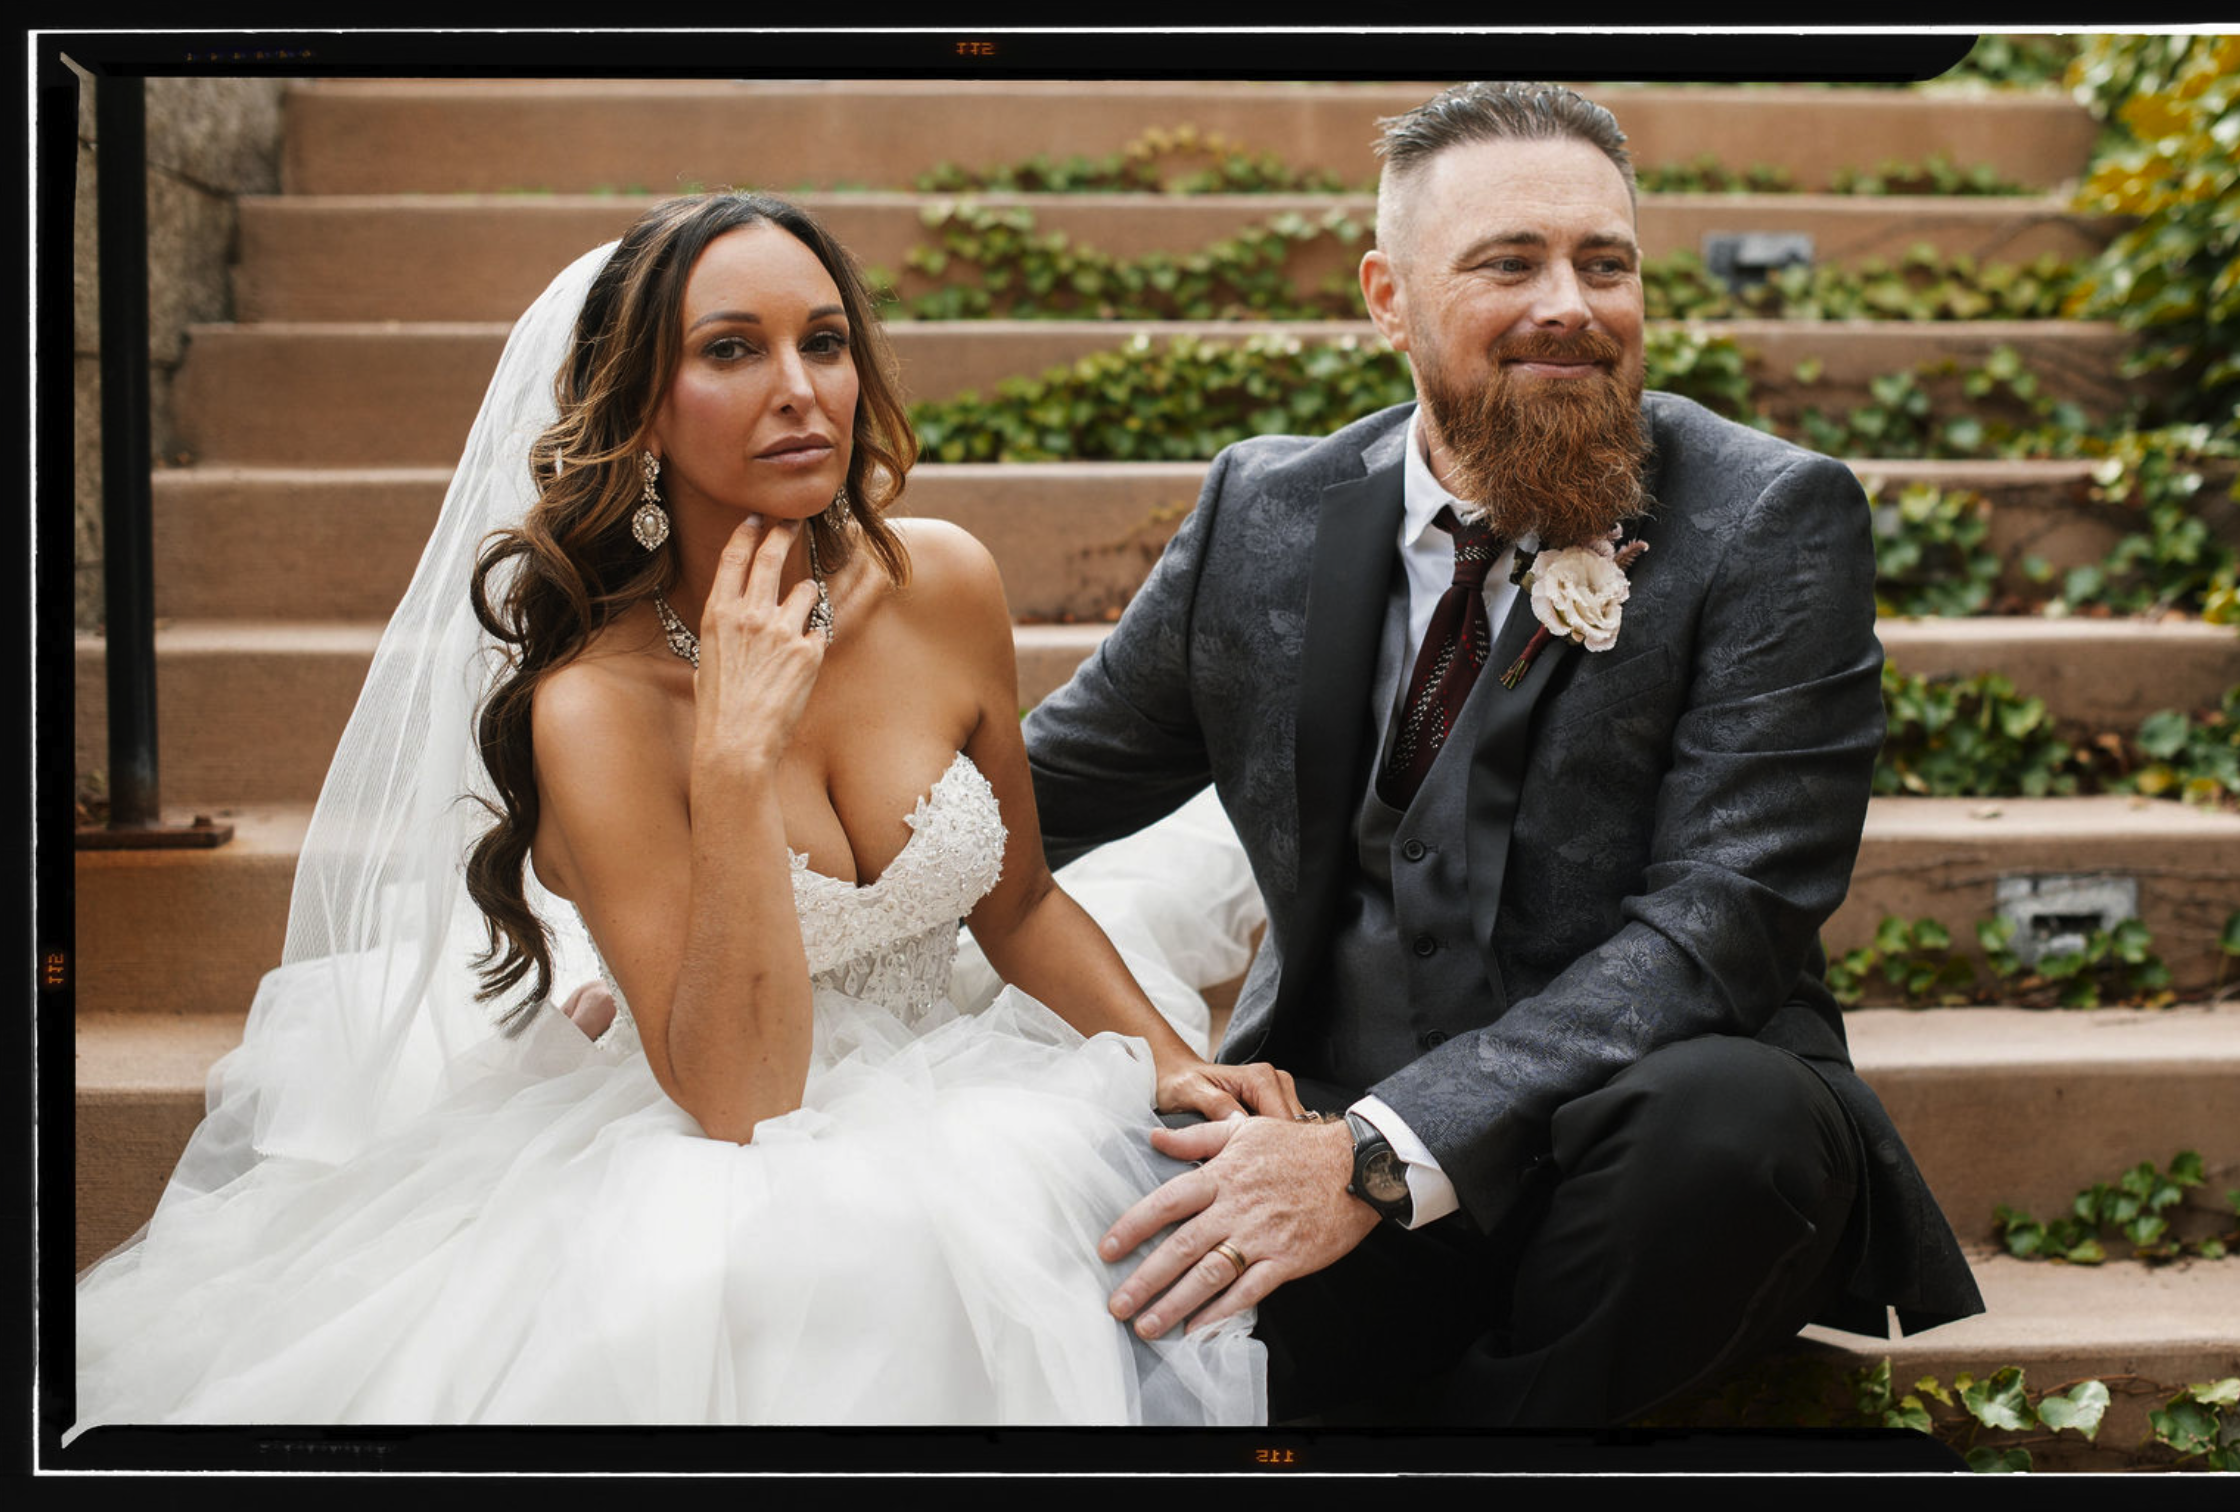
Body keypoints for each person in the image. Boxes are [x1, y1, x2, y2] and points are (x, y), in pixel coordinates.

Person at [69, 192, 1288, 1432]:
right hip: (736, 1125)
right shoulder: (593, 706)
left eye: (823, 341)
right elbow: (741, 1100)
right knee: (825, 1272)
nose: (800, 389)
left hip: (978, 1073)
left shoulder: (942, 580)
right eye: (729, 350)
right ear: (641, 407)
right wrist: (734, 755)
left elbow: (1018, 903)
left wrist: (1177, 1063)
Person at [1021, 81, 1987, 1426]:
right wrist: (725, 805)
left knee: (1729, 1129)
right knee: (1107, 1222)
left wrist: (1378, 1155)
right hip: (1327, 1123)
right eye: (1507, 263)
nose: (1570, 306)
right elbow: (1023, 801)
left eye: (1604, 263)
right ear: (1387, 298)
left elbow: (1727, 923)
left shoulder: (1768, 516)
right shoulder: (1265, 513)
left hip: (1637, 1164)